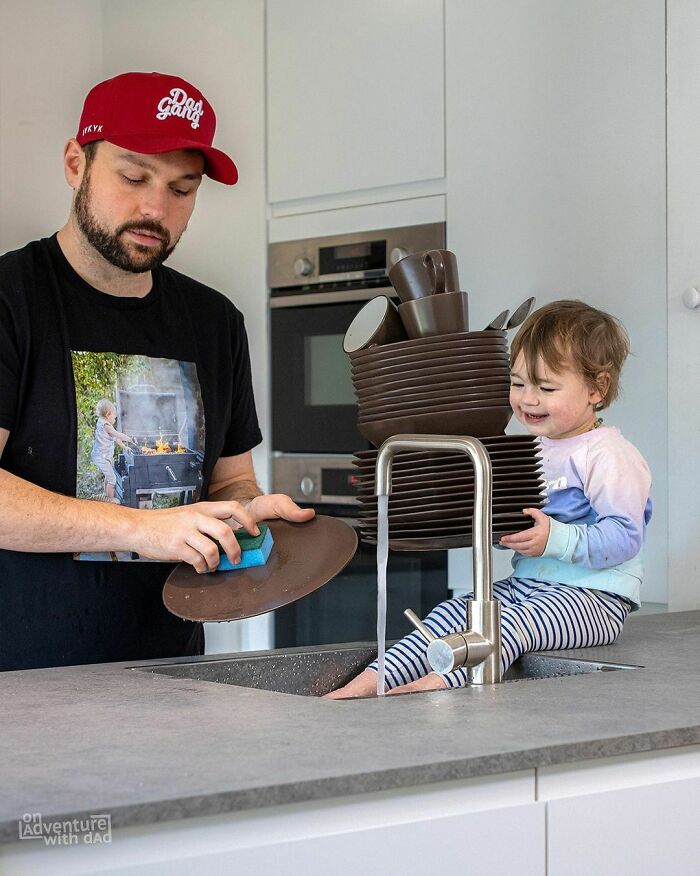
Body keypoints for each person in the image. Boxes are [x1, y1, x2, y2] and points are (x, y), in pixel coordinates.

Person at [0, 71, 313, 671]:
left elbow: (228, 482)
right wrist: (140, 528)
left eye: (182, 188)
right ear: (75, 162)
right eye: (133, 176)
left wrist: (246, 512)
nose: (154, 208)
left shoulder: (215, 322)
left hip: (174, 677)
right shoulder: (10, 301)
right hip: (22, 689)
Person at [326, 299, 652, 698]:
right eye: (517, 383)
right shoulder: (535, 447)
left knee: (508, 626)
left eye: (546, 388)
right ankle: (370, 682)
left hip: (594, 602)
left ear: (596, 389)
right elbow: (519, 526)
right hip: (527, 587)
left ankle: (437, 684)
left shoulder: (608, 454)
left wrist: (555, 539)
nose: (527, 400)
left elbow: (625, 538)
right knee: (451, 610)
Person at [90, 399, 135, 503]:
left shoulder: (101, 422)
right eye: (114, 416)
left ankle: (106, 494)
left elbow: (116, 438)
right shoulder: (106, 426)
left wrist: (125, 447)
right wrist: (129, 439)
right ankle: (110, 499)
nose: (115, 418)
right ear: (108, 414)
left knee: (108, 475)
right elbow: (118, 435)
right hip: (101, 457)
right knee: (112, 478)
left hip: (102, 456)